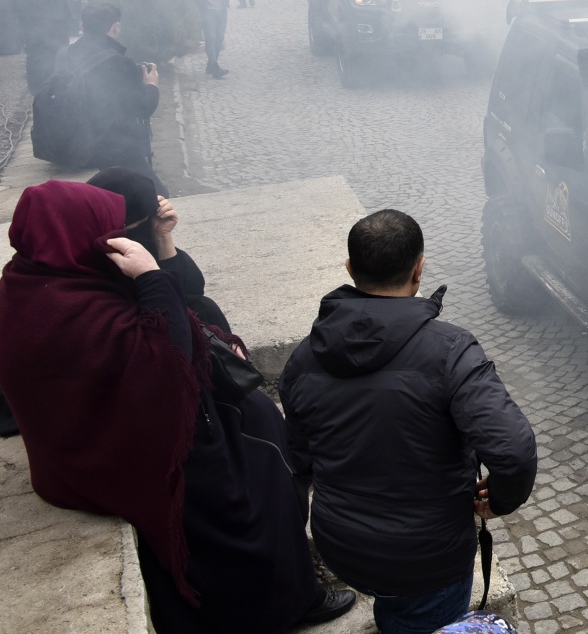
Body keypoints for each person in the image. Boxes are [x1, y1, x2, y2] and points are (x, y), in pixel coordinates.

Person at [0, 181, 355, 634]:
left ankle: (291, 576)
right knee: (261, 466)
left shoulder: (30, 283)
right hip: (118, 457)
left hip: (80, 448)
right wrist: (151, 277)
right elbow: (170, 365)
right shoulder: (80, 312)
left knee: (258, 421)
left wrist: (163, 252)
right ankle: (283, 604)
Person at [280, 210, 537, 634]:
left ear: (350, 269)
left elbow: (301, 459)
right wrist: (500, 500)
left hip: (341, 544)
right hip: (425, 560)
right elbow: (513, 451)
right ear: (419, 269)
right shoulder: (451, 350)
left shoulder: (303, 359)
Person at [87, 166, 231, 331]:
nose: (137, 234)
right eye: (128, 227)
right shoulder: (84, 259)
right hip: (124, 334)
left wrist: (163, 236)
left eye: (145, 222)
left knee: (204, 308)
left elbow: (191, 293)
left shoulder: (147, 238)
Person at [50, 1, 164, 182]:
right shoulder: (118, 63)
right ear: (116, 27)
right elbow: (142, 107)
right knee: (158, 197)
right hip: (114, 149)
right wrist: (151, 84)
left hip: (73, 144)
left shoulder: (65, 54)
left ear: (82, 25)